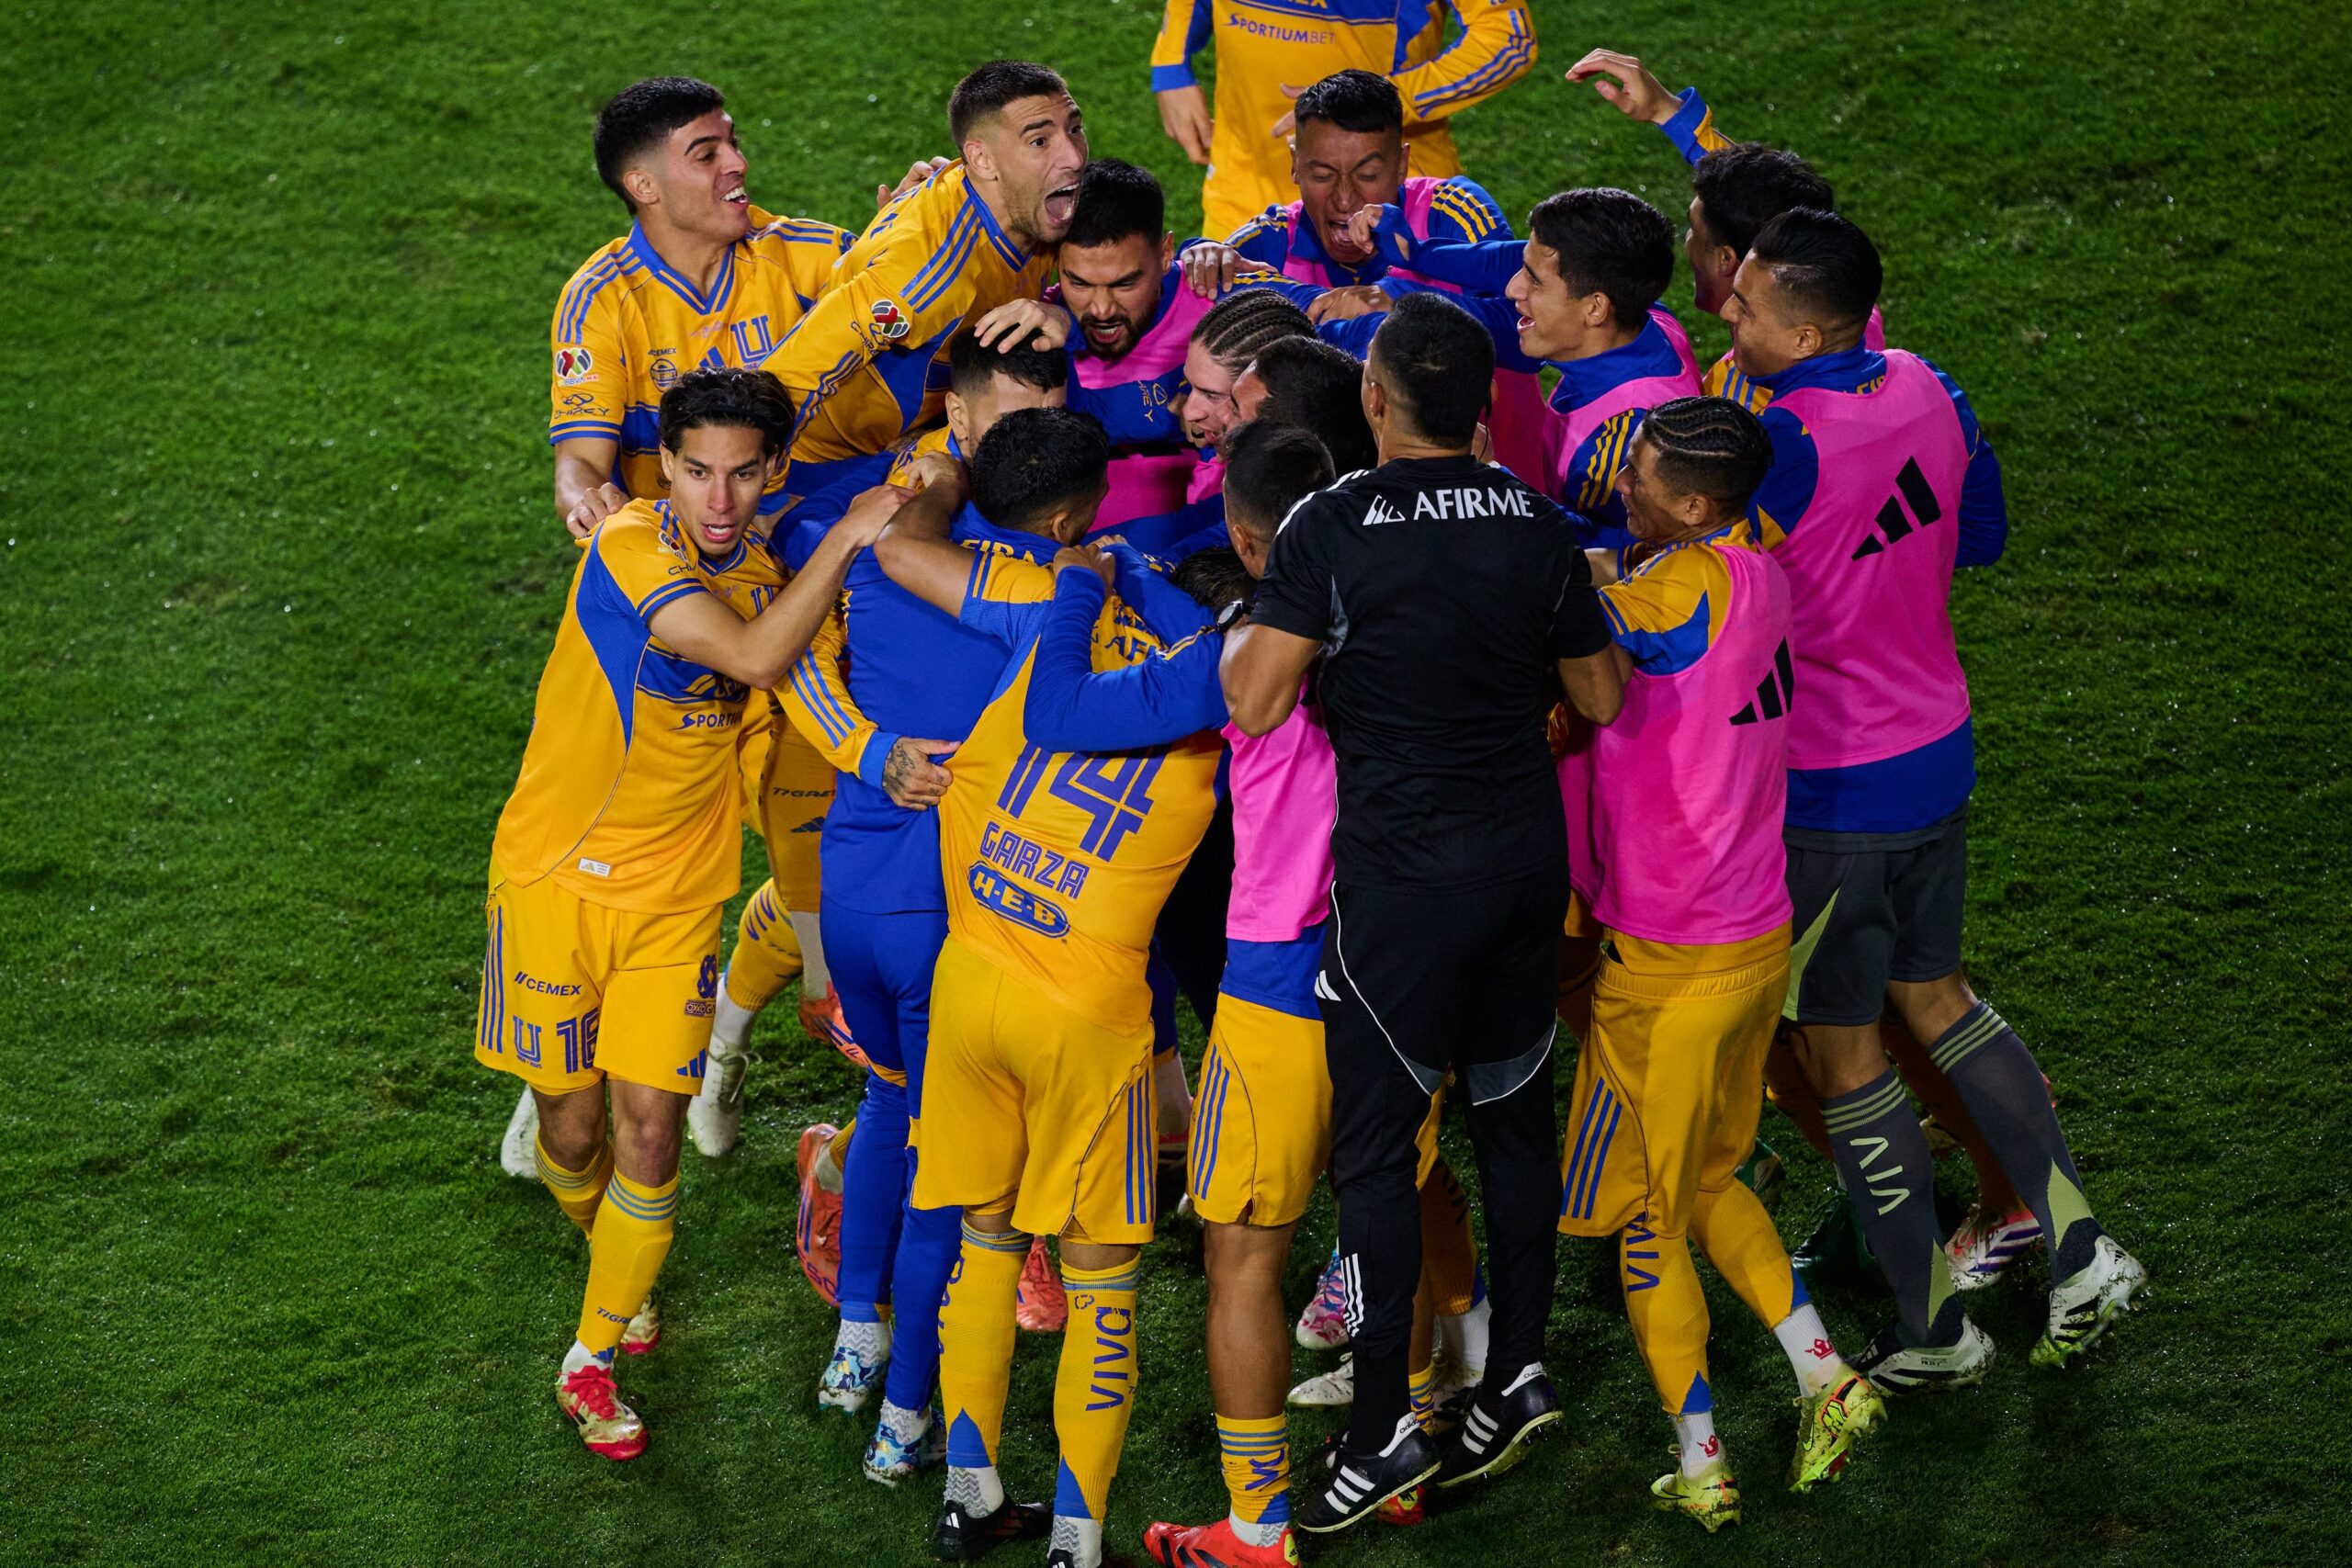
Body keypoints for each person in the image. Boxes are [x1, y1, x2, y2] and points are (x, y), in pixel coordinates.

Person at [1221, 292, 1624, 1532]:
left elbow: (1255, 700)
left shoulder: (1330, 524)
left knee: (1378, 1159)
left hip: (1401, 891)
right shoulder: (1536, 521)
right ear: (1482, 405)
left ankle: (1379, 1431)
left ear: (1375, 400)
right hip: (1522, 873)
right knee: (1512, 1125)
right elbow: (1602, 696)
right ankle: (1517, 1373)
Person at [1723, 209, 2144, 1384]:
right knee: (1941, 997)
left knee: (1844, 1056)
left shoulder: (1780, 444)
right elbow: (1983, 536)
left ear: (1807, 332)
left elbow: (1718, 607)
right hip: (1934, 749)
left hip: (1830, 792)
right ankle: (2081, 1250)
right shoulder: (1930, 385)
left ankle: (1934, 1331)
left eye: (1746, 306)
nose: (1727, 317)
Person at [475, 367, 888, 1461]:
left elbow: (799, 696)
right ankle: (614, 1265)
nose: (718, 498)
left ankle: (591, 1353)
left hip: (675, 906)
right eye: (696, 471)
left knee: (649, 1131)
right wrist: (850, 535)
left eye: (743, 474)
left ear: (773, 470)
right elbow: (753, 657)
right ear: (662, 467)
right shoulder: (628, 547)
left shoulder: (767, 579)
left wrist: (877, 755)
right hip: (554, 883)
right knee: (571, 1134)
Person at [869, 409, 1225, 1568]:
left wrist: (1097, 575)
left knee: (981, 1243)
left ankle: (969, 1494)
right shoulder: (1224, 725)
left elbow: (941, 568)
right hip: (1088, 1021)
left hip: (971, 985)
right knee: (1101, 1284)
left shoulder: (1045, 639)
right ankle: (1076, 1538)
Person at [516, 75, 861, 1179]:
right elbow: (579, 455)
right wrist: (585, 498)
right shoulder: (601, 298)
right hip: (682, 618)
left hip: (804, 589)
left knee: (813, 834)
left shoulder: (808, 254)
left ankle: (719, 1051)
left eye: (733, 144)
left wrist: (924, 218)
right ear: (644, 184)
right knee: (656, 838)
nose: (736, 165)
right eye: (706, 153)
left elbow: (907, 293)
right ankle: (566, 1063)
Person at [1555, 396, 1884, 1531]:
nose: (1623, 485)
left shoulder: (1677, 589)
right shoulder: (1758, 565)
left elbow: (1578, 621)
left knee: (1649, 1219)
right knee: (1705, 1183)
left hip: (1668, 961)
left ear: (1695, 507)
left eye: (1643, 477)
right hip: (1750, 939)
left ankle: (1701, 1461)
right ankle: (1825, 1376)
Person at [1199, 70, 1550, 479]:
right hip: (1346, 504)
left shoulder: (1452, 212)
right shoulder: (1270, 241)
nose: (1345, 198)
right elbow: (1192, 294)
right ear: (1294, 164)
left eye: (1367, 176)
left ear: (1401, 164)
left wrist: (1399, 301)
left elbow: (1532, 339)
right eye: (1322, 175)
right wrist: (1200, 254)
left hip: (1501, 489)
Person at [764, 61, 1087, 495]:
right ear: (982, 159)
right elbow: (786, 380)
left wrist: (1066, 317)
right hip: (827, 466)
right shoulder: (928, 275)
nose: (1074, 158)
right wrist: (761, 495)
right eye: (1040, 141)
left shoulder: (1025, 204)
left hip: (916, 434)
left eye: (1075, 129)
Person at [1056, 158, 1324, 528]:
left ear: (1166, 254)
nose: (1101, 309)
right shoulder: (1040, 325)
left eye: (1125, 283)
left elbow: (1337, 315)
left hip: (1220, 529)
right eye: (1079, 283)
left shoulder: (1216, 291)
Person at [1149, 1, 1537, 238]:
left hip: (1383, 209)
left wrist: (1374, 101)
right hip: (1243, 192)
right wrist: (1171, 63)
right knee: (1238, 347)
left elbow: (1508, 39)